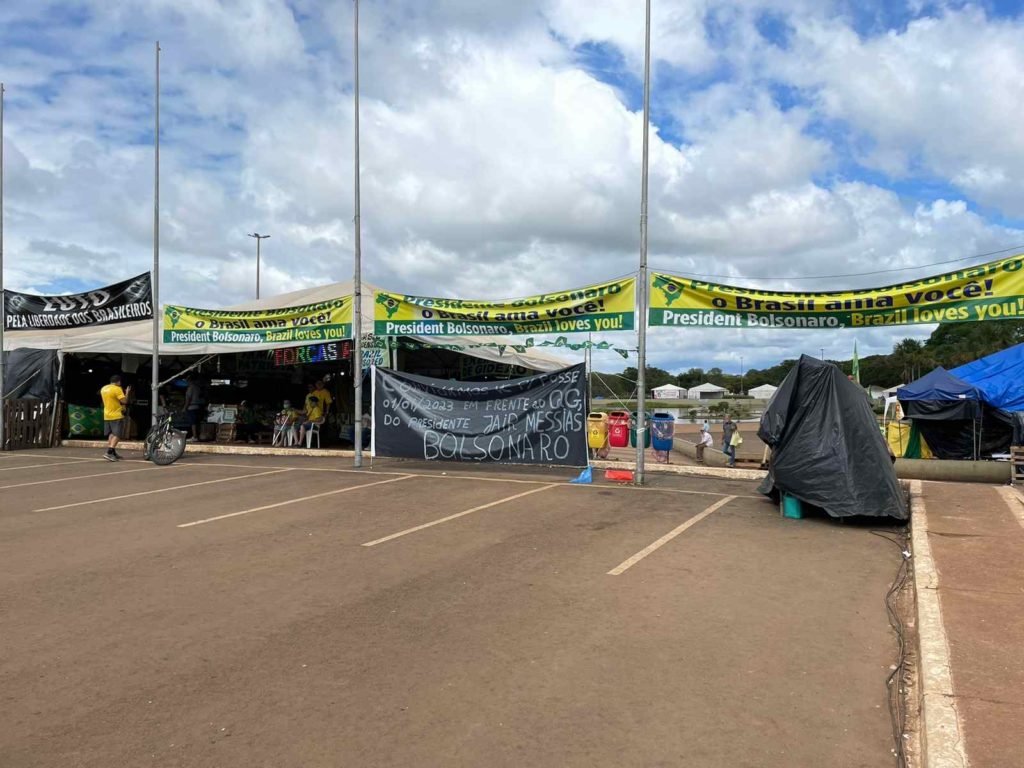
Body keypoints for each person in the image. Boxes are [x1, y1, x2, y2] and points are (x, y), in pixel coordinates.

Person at [100, 374, 130, 461]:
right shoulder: (117, 389)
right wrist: (127, 392)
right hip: (116, 415)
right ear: (118, 382)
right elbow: (124, 401)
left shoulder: (104, 388)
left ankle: (113, 452)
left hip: (107, 414)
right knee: (117, 434)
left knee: (111, 434)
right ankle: (109, 452)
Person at [184, 374, 205, 441]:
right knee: (196, 422)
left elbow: (188, 399)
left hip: (191, 407)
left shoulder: (190, 388)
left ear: (190, 381)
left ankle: (194, 436)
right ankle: (197, 435)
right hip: (197, 406)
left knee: (193, 423)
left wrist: (185, 407)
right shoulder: (198, 388)